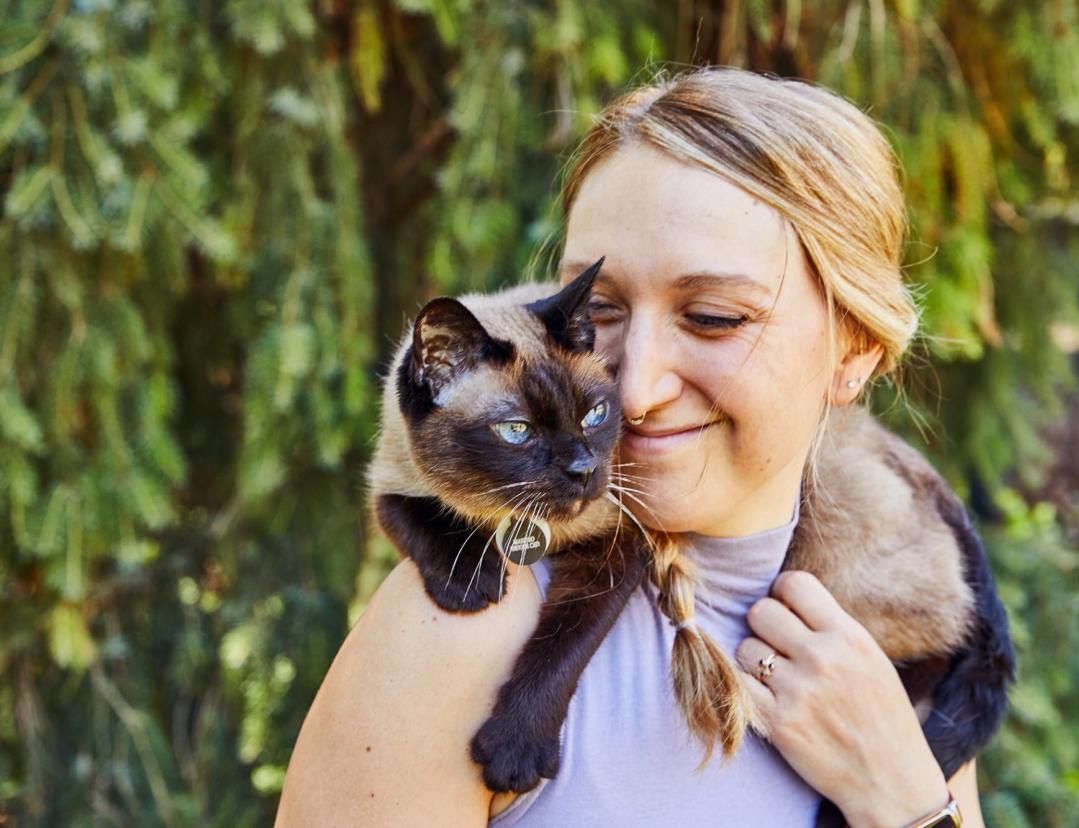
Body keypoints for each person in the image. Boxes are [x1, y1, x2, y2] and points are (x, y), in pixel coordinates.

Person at [277, 67, 987, 827]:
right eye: (600, 313)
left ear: (855, 353)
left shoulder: (886, 645)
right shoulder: (459, 638)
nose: (636, 386)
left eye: (713, 317)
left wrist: (913, 805)